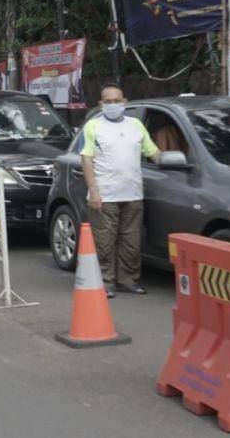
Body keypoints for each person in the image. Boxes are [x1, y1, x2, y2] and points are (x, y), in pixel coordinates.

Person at [80, 83, 160, 298]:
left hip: (133, 194)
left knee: (131, 242)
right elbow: (86, 160)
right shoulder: (93, 126)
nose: (113, 105)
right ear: (101, 104)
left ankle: (128, 280)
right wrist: (94, 192)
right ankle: (105, 282)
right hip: (105, 195)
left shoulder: (135, 125)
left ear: (125, 102)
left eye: (117, 101)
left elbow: (153, 152)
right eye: (108, 101)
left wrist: (175, 157)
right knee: (104, 242)